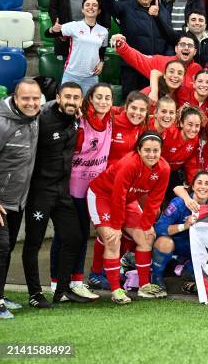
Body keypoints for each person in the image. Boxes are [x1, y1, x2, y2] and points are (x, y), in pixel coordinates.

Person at [22, 83, 95, 308]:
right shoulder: (42, 119)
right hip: (40, 192)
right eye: (68, 97)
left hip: (62, 193)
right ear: (57, 97)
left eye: (76, 97)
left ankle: (62, 291)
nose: (72, 101)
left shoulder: (74, 118)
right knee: (33, 243)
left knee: (73, 237)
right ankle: (34, 294)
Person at [88, 131, 170, 304]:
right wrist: (117, 227)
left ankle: (144, 285)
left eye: (156, 150)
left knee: (146, 238)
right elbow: (118, 196)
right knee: (112, 239)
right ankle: (116, 289)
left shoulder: (164, 168)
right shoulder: (129, 164)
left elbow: (155, 200)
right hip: (103, 196)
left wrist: (146, 225)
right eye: (147, 150)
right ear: (139, 150)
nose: (152, 154)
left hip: (128, 200)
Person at [0, 81, 42, 320]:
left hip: (17, 199)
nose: (31, 103)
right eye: (25, 99)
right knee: (1, 248)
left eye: (35, 99)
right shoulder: (1, 122)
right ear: (15, 98)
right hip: (0, 200)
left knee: (7, 249)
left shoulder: (35, 116)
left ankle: (1, 295)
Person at [66, 84, 113, 291]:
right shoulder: (80, 122)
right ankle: (67, 282)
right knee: (72, 236)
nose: (103, 101)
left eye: (108, 98)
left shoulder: (111, 119)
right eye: (99, 97)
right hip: (74, 189)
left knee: (84, 235)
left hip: (95, 191)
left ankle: (75, 281)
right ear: (90, 100)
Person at [101, 0, 174, 93]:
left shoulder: (163, 11)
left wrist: (166, 60)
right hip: (132, 68)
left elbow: (169, 37)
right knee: (132, 106)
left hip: (156, 69)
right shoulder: (125, 8)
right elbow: (109, 6)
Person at [152, 171, 208, 290]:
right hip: (176, 244)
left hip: (194, 248)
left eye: (207, 184)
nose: (203, 187)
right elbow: (159, 229)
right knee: (164, 242)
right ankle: (156, 277)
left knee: (192, 272)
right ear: (193, 186)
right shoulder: (179, 203)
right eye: (199, 183)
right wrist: (184, 226)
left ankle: (182, 266)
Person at [112, 33, 202, 102]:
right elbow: (139, 59)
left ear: (194, 52)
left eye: (190, 46)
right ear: (176, 49)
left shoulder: (198, 70)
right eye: (182, 44)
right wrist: (122, 46)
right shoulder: (160, 61)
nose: (186, 48)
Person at [46, 0, 108, 93]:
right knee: (67, 106)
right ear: (82, 10)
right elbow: (48, 34)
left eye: (94, 5)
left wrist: (101, 62)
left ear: (99, 11)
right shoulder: (74, 26)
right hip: (72, 75)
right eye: (87, 5)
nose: (91, 7)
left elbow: (102, 50)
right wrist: (52, 29)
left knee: (88, 107)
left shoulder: (104, 31)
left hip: (91, 77)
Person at [160, 106, 203, 200]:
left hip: (173, 172)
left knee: (179, 199)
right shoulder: (168, 133)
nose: (193, 129)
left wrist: (194, 185)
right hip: (157, 170)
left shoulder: (195, 140)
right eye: (190, 124)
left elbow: (191, 164)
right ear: (181, 123)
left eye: (197, 125)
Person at [108, 91, 150, 166]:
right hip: (106, 173)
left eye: (142, 110)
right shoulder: (111, 122)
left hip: (127, 172)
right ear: (126, 107)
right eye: (134, 108)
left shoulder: (142, 126)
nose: (137, 113)